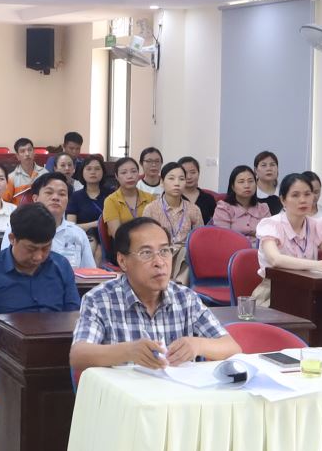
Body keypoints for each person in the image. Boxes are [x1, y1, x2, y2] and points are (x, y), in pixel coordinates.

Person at [69, 217, 237, 371]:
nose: (159, 262)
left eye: (164, 251)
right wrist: (128, 351)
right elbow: (78, 355)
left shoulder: (186, 298)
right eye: (146, 253)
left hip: (176, 392)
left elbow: (232, 347)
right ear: (122, 261)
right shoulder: (99, 300)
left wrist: (198, 345)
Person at [0, 204, 80, 395]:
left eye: (46, 248)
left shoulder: (61, 266)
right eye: (31, 249)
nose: (39, 256)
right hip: (8, 361)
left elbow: (74, 319)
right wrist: (9, 352)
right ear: (12, 239)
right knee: (35, 389)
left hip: (58, 358)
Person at [252, 173, 322, 304]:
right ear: (283, 200)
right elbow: (275, 260)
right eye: (295, 195)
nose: (303, 200)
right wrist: (318, 265)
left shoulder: (317, 225)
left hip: (310, 290)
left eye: (307, 194)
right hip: (275, 291)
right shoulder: (271, 224)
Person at [0, 173, 96, 268]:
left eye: (62, 194)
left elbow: (90, 272)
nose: (55, 198)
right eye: (49, 192)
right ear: (35, 199)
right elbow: (5, 267)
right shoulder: (17, 229)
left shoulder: (78, 234)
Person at [140, 161, 204, 281]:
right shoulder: (151, 209)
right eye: (171, 178)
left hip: (185, 257)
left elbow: (199, 240)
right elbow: (144, 240)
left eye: (181, 179)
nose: (177, 183)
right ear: (162, 182)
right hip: (159, 254)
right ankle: (176, 285)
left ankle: (178, 284)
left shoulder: (193, 209)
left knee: (187, 252)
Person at [211, 164, 265, 241]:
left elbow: (269, 235)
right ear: (233, 187)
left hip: (261, 248)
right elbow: (223, 238)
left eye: (250, 181)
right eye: (241, 182)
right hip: (232, 248)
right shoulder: (224, 208)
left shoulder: (263, 208)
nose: (247, 185)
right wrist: (254, 234)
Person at [101, 157, 146, 243]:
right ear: (116, 176)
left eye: (133, 171)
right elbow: (117, 234)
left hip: (149, 243)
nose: (130, 176)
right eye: (124, 172)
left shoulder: (150, 198)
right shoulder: (111, 201)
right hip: (124, 245)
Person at [67, 156, 111, 238]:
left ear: (103, 172)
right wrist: (97, 224)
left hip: (108, 239)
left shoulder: (111, 194)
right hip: (82, 238)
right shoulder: (75, 197)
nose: (93, 172)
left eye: (97, 169)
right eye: (89, 169)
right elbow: (70, 227)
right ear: (82, 172)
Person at [177, 156, 218, 225]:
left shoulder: (208, 198)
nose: (189, 177)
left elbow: (215, 223)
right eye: (185, 173)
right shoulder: (174, 197)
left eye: (193, 172)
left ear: (198, 173)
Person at [7, 138, 41, 202]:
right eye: (22, 151)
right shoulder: (11, 178)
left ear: (34, 152)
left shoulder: (45, 173)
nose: (27, 154)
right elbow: (4, 202)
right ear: (17, 156)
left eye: (29, 150)